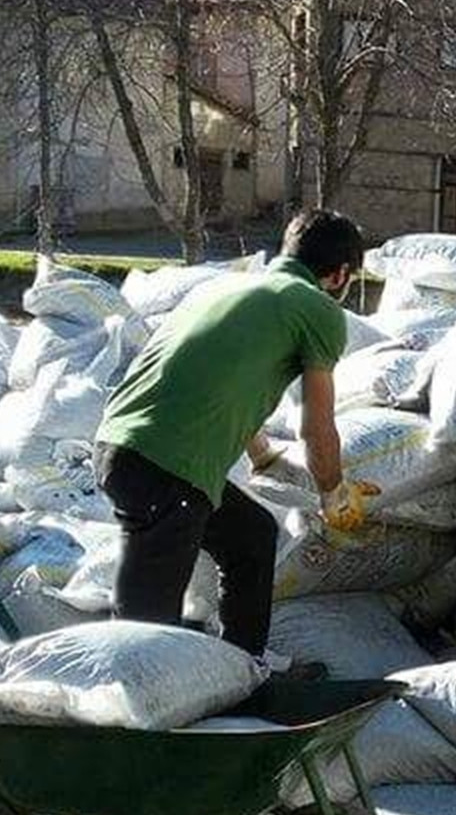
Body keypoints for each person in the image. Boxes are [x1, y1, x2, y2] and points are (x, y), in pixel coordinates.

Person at [95, 208, 377, 658]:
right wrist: (332, 493)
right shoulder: (316, 308)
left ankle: (242, 665)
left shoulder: (228, 287)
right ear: (341, 274)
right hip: (166, 468)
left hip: (123, 447)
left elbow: (222, 380)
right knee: (144, 637)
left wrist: (263, 456)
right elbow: (316, 426)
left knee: (251, 536)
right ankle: (128, 694)